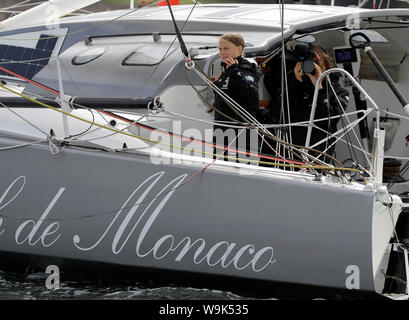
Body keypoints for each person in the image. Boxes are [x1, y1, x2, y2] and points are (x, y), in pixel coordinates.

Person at [265, 44, 349, 160]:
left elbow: (327, 122)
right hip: (288, 156)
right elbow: (276, 113)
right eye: (310, 62)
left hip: (317, 158)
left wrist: (319, 88)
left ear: (326, 62)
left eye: (317, 62)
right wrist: (295, 83)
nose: (313, 66)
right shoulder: (295, 85)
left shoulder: (338, 92)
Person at [211, 33, 259, 162]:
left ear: (239, 49)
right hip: (222, 132)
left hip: (241, 134)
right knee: (219, 171)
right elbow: (226, 101)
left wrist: (234, 72)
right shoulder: (227, 71)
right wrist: (216, 86)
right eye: (220, 49)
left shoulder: (246, 69)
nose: (222, 52)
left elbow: (252, 98)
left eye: (226, 48)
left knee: (241, 172)